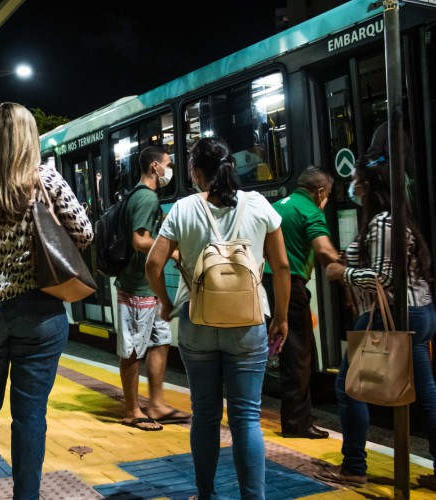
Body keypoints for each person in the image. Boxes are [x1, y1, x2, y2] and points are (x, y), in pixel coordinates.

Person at [0, 103, 93, 499]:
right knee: (29, 416)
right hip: (38, 310)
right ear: (30, 137)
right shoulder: (45, 181)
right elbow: (84, 233)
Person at [146, 137, 290, 499]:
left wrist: (165, 303)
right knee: (245, 419)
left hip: (198, 323)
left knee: (205, 415)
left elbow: (153, 263)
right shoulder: (259, 205)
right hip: (248, 323)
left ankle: (206, 494)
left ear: (196, 172)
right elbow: (283, 265)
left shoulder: (183, 208)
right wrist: (282, 318)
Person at [316, 156, 436, 490]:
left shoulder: (383, 222)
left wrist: (344, 272)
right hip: (419, 311)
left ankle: (354, 466)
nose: (352, 187)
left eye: (356, 181)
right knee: (425, 394)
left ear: (369, 187)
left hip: (393, 314)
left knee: (349, 387)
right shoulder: (394, 219)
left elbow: (385, 278)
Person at [115, 145, 190, 431]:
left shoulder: (139, 195)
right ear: (155, 167)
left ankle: (156, 404)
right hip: (136, 286)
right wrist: (169, 250)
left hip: (148, 287)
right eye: (168, 164)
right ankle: (132, 411)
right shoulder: (145, 197)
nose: (170, 169)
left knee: (159, 341)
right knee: (133, 350)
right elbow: (139, 240)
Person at [262, 165, 339, 439]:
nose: (326, 199)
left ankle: (299, 418)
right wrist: (346, 267)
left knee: (289, 354)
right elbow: (323, 250)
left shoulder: (276, 207)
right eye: (327, 194)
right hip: (291, 287)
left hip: (265, 284)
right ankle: (297, 423)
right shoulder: (310, 211)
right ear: (319, 192)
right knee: (298, 356)